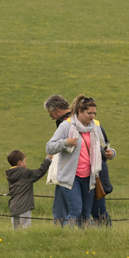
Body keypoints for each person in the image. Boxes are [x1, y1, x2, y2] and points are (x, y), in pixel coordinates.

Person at [61, 95, 114, 228]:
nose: (92, 116)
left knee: (96, 210)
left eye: (94, 113)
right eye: (89, 113)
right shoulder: (67, 125)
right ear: (80, 111)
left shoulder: (96, 126)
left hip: (94, 175)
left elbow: (105, 146)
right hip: (74, 175)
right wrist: (66, 142)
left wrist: (111, 153)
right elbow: (51, 146)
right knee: (77, 210)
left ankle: (106, 234)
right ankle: (69, 236)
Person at [43, 94, 83, 226]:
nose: (52, 117)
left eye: (51, 114)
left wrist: (64, 143)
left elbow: (51, 147)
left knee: (64, 208)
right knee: (78, 208)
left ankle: (61, 229)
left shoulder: (66, 122)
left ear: (57, 109)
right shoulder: (80, 118)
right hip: (82, 169)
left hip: (68, 169)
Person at [5, 150, 45, 230]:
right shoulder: (25, 173)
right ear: (19, 162)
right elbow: (40, 172)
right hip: (24, 208)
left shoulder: (10, 174)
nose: (26, 163)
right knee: (25, 231)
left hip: (13, 208)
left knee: (16, 231)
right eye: (25, 161)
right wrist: (48, 159)